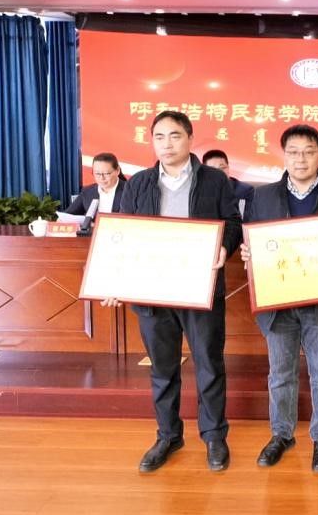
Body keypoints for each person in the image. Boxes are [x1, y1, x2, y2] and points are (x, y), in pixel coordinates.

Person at [102, 111, 242, 473]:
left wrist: (225, 246)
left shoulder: (214, 180)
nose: (167, 144)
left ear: (190, 139)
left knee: (209, 364)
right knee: (163, 369)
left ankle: (214, 435)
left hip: (201, 289)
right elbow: (123, 234)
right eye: (159, 137)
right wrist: (114, 280)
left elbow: (233, 223)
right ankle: (168, 435)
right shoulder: (139, 183)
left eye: (175, 135)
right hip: (153, 293)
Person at [239, 124, 318, 472]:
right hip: (279, 304)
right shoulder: (262, 197)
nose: (301, 159)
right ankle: (282, 434)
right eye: (293, 152)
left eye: (308, 152)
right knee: (280, 374)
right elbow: (253, 242)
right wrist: (249, 254)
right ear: (284, 155)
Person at [62, 152, 126, 215]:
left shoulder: (129, 191)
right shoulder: (87, 191)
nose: (102, 178)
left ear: (117, 170)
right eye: (97, 174)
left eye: (106, 173)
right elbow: (68, 214)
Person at [203, 149, 255, 220]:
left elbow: (248, 221)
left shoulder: (245, 191)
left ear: (228, 167)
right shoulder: (200, 191)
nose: (219, 173)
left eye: (222, 168)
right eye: (213, 170)